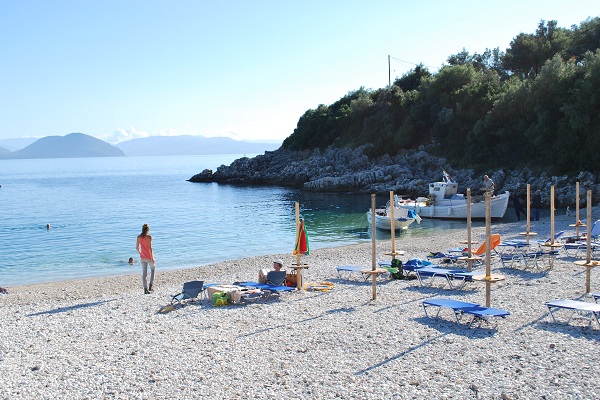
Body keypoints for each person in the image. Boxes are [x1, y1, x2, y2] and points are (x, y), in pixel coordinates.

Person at [136, 224, 155, 294]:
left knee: (144, 273)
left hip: (142, 257)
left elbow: (137, 248)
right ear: (148, 230)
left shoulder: (139, 237)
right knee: (153, 269)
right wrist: (152, 258)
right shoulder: (149, 237)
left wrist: (140, 253)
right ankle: (151, 286)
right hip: (149, 257)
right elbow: (150, 248)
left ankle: (145, 289)